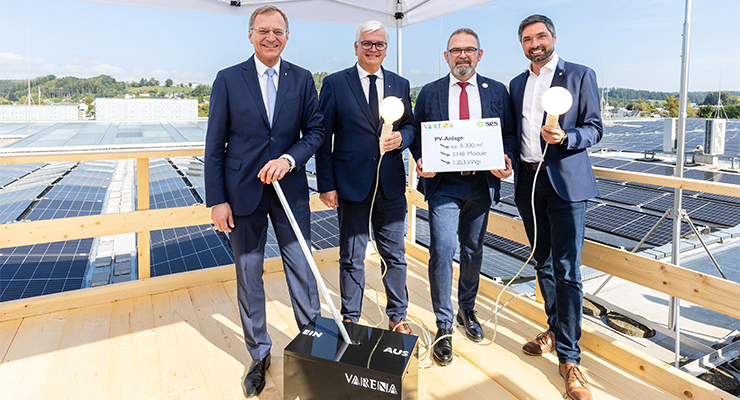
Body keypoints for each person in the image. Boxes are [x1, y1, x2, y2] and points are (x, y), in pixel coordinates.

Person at [204, 6, 324, 398]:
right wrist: (217, 200)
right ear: (251, 35)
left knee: (303, 271)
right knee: (248, 275)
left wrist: (289, 159)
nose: (270, 37)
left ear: (287, 36)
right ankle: (259, 354)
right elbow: (215, 147)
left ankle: (312, 347)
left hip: (290, 192)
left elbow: (317, 131)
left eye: (278, 31)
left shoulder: (303, 79)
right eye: (263, 31)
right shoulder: (227, 79)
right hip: (242, 194)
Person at [410, 28, 516, 366]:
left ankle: (466, 310)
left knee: (473, 250)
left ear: (479, 55)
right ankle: (444, 326)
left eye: (469, 50)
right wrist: (420, 158)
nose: (462, 56)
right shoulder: (430, 92)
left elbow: (509, 134)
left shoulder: (497, 91)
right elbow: (416, 132)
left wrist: (508, 158)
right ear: (446, 56)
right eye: (456, 50)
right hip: (444, 186)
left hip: (481, 185)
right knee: (442, 249)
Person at [510, 14, 602, 400]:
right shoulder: (516, 83)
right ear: (522, 44)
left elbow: (595, 127)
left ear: (553, 37)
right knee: (542, 263)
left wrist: (566, 136)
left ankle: (570, 358)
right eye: (528, 38)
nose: (535, 43)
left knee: (567, 270)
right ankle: (553, 329)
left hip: (565, 183)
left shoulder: (580, 75)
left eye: (541, 36)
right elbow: (512, 132)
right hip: (528, 182)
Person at [315, 20, 415, 334]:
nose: (373, 49)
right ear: (356, 47)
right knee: (351, 256)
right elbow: (322, 136)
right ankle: (351, 317)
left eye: (380, 44)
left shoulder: (400, 83)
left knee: (394, 256)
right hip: (349, 185)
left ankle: (398, 316)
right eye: (367, 43)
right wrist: (326, 184)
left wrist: (403, 139)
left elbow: (410, 126)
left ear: (386, 48)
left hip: (390, 186)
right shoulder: (334, 83)